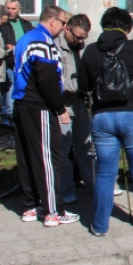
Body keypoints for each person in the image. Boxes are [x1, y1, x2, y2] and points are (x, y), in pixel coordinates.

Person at [79, 7, 133, 236]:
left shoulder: (90, 51)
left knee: (106, 173)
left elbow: (84, 86)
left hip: (102, 116)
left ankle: (99, 225)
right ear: (127, 28)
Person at [13, 5, 79, 226]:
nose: (63, 28)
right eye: (62, 23)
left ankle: (30, 206)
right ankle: (54, 211)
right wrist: (59, 108)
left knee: (28, 156)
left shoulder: (26, 38)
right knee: (49, 157)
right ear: (52, 21)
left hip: (23, 104)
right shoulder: (41, 40)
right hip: (38, 105)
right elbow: (46, 78)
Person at [55, 13, 95, 202]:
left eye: (83, 38)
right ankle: (65, 191)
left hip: (80, 102)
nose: (80, 40)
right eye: (77, 36)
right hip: (63, 104)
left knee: (86, 146)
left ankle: (93, 185)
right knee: (63, 149)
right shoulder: (56, 47)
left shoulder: (80, 48)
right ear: (66, 29)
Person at [0, 0, 33, 127]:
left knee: (24, 100)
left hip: (25, 67)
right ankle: (7, 133)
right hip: (10, 66)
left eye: (13, 8)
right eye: (7, 8)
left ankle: (20, 130)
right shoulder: (2, 25)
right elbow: (3, 45)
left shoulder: (26, 24)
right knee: (9, 102)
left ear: (19, 9)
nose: (10, 11)